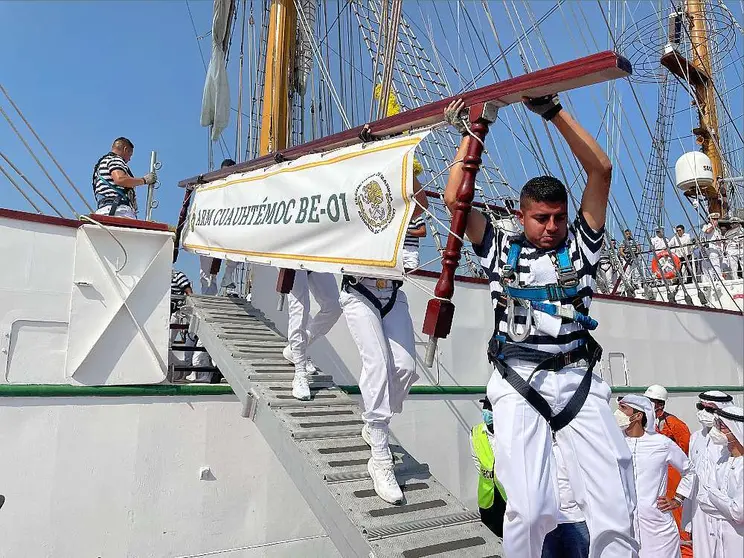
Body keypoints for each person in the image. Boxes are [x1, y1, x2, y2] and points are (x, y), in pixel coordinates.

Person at [443, 95, 638, 557]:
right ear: (521, 215)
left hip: (577, 378)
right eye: (541, 218)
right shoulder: (499, 248)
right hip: (518, 378)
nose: (552, 226)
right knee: (530, 510)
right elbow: (455, 198)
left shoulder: (582, 246)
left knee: (615, 501)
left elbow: (601, 171)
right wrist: (471, 134)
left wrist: (552, 111)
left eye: (558, 218)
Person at [342, 179, 428, 505]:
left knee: (405, 367)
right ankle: (379, 454)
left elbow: (411, 256)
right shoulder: (356, 200)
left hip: (392, 292)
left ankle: (376, 421)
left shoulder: (407, 207)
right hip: (358, 291)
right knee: (377, 363)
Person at [470, 398, 590, 555]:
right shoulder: (529, 438)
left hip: (573, 519)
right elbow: (479, 462)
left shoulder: (569, 440)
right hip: (532, 515)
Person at [616, 395, 695, 558]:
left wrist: (677, 499)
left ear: (638, 416)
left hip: (658, 528)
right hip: (623, 525)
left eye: (623, 409)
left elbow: (689, 471)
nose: (618, 413)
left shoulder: (661, 443)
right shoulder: (614, 442)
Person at [676, 391, 734, 558]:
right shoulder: (696, 437)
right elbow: (691, 471)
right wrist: (679, 498)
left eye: (709, 409)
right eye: (701, 407)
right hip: (699, 509)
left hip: (725, 509)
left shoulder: (731, 439)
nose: (703, 412)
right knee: (703, 551)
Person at [644, 384, 692, 553]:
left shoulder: (675, 425)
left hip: (673, 479)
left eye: (653, 401)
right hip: (654, 481)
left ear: (661, 404)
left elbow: (685, 455)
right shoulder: (643, 425)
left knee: (677, 518)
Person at [283, 271, 342, 400]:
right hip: (294, 255)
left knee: (334, 306)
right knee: (300, 308)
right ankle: (300, 373)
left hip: (316, 253)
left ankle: (294, 350)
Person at [699, 405, 743, 557]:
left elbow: (739, 512)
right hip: (719, 539)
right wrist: (728, 508)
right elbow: (702, 500)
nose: (717, 431)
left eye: (722, 426)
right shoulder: (722, 460)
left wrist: (712, 494)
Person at [199, 158, 239, 295]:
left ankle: (227, 276)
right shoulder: (212, 184)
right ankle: (208, 295)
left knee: (238, 250)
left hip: (227, 228)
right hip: (209, 229)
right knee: (207, 269)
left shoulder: (238, 187)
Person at [469, 398, 508, 536]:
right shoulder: (476, 431)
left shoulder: (509, 432)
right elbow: (476, 459)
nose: (487, 411)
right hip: (487, 497)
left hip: (508, 497)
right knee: (490, 535)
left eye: (490, 407)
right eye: (485, 406)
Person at [92, 137, 157, 218]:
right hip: (118, 210)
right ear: (125, 149)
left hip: (106, 209)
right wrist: (144, 180)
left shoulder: (103, 162)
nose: (129, 159)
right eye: (130, 155)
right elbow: (120, 179)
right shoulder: (115, 159)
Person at [402, 178, 428, 271]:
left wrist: (407, 231)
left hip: (410, 250)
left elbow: (423, 232)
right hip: (398, 249)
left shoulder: (416, 216)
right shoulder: (399, 217)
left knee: (411, 272)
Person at [701, 213, 724, 283]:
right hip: (711, 248)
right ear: (710, 220)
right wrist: (713, 225)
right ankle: (719, 278)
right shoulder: (706, 226)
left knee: (719, 264)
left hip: (718, 248)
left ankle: (716, 277)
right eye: (714, 219)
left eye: (717, 219)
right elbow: (707, 232)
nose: (716, 220)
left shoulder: (717, 229)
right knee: (715, 263)